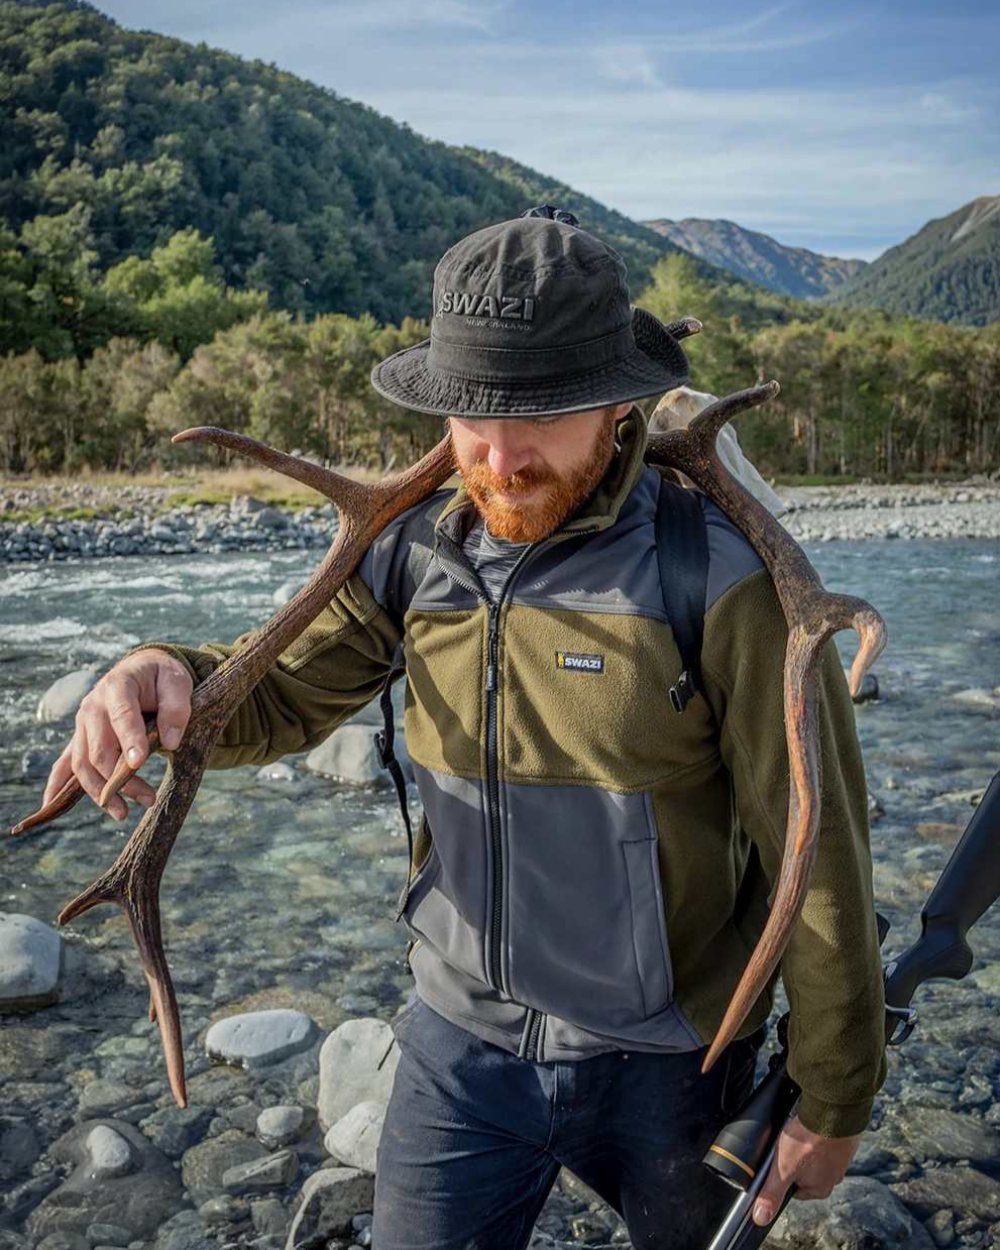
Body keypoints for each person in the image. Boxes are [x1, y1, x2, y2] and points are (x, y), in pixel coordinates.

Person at [44, 210, 886, 1250]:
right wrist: (161, 671)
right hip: (459, 1050)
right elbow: (266, 701)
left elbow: (823, 847)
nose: (496, 458)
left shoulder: (715, 578)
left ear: (620, 402)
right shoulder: (412, 553)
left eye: (537, 414)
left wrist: (832, 1092)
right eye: (469, 416)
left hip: (677, 1063)